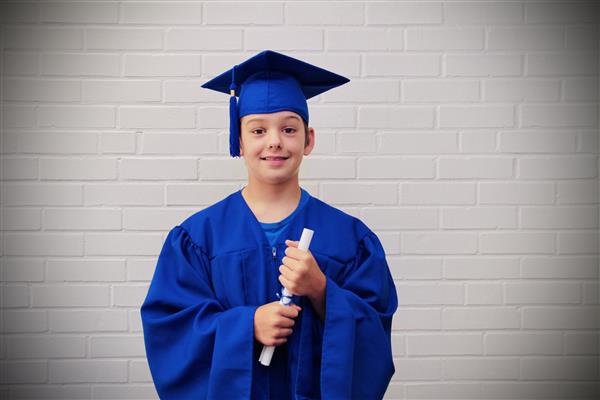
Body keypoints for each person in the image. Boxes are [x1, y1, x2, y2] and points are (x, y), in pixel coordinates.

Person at [140, 50, 398, 400]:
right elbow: (170, 333)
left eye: (289, 128)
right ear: (239, 140)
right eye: (258, 129)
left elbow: (375, 342)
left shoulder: (351, 239)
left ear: (308, 140)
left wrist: (322, 291)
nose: (274, 140)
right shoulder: (197, 238)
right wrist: (246, 326)